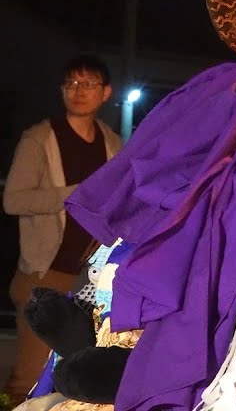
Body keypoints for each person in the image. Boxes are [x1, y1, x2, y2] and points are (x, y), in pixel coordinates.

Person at [4, 54, 121, 401]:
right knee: (30, 377)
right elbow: (13, 200)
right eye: (71, 83)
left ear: (106, 92)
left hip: (92, 278)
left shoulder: (112, 142)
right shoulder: (39, 139)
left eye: (88, 84)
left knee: (79, 378)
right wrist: (73, 194)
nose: (78, 91)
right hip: (46, 274)